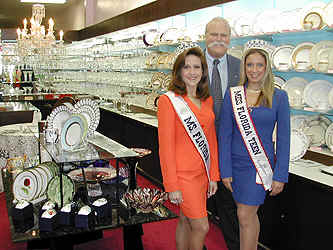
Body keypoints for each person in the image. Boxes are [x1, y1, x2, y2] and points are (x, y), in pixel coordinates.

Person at [218, 39, 290, 250]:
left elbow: (284, 140)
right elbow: (225, 135)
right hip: (236, 165)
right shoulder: (233, 95)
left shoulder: (279, 97)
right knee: (247, 215)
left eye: (259, 65)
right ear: (244, 67)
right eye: (250, 65)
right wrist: (225, 170)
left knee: (244, 214)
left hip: (260, 167)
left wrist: (280, 175)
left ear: (266, 68)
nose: (254, 70)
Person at [157, 46, 220, 250]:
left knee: (185, 219)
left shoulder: (206, 100)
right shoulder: (169, 101)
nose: (192, 72)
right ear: (178, 71)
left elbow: (210, 140)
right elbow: (165, 147)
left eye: (197, 67)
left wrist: (213, 175)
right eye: (187, 67)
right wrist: (171, 184)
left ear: (203, 71)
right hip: (183, 176)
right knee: (201, 226)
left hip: (202, 173)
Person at [204, 17, 241, 250]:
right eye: (213, 34)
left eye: (223, 35)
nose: (218, 39)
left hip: (230, 151)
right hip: (199, 149)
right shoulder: (191, 64)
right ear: (205, 36)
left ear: (230, 38)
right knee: (195, 207)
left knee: (229, 207)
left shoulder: (240, 66)